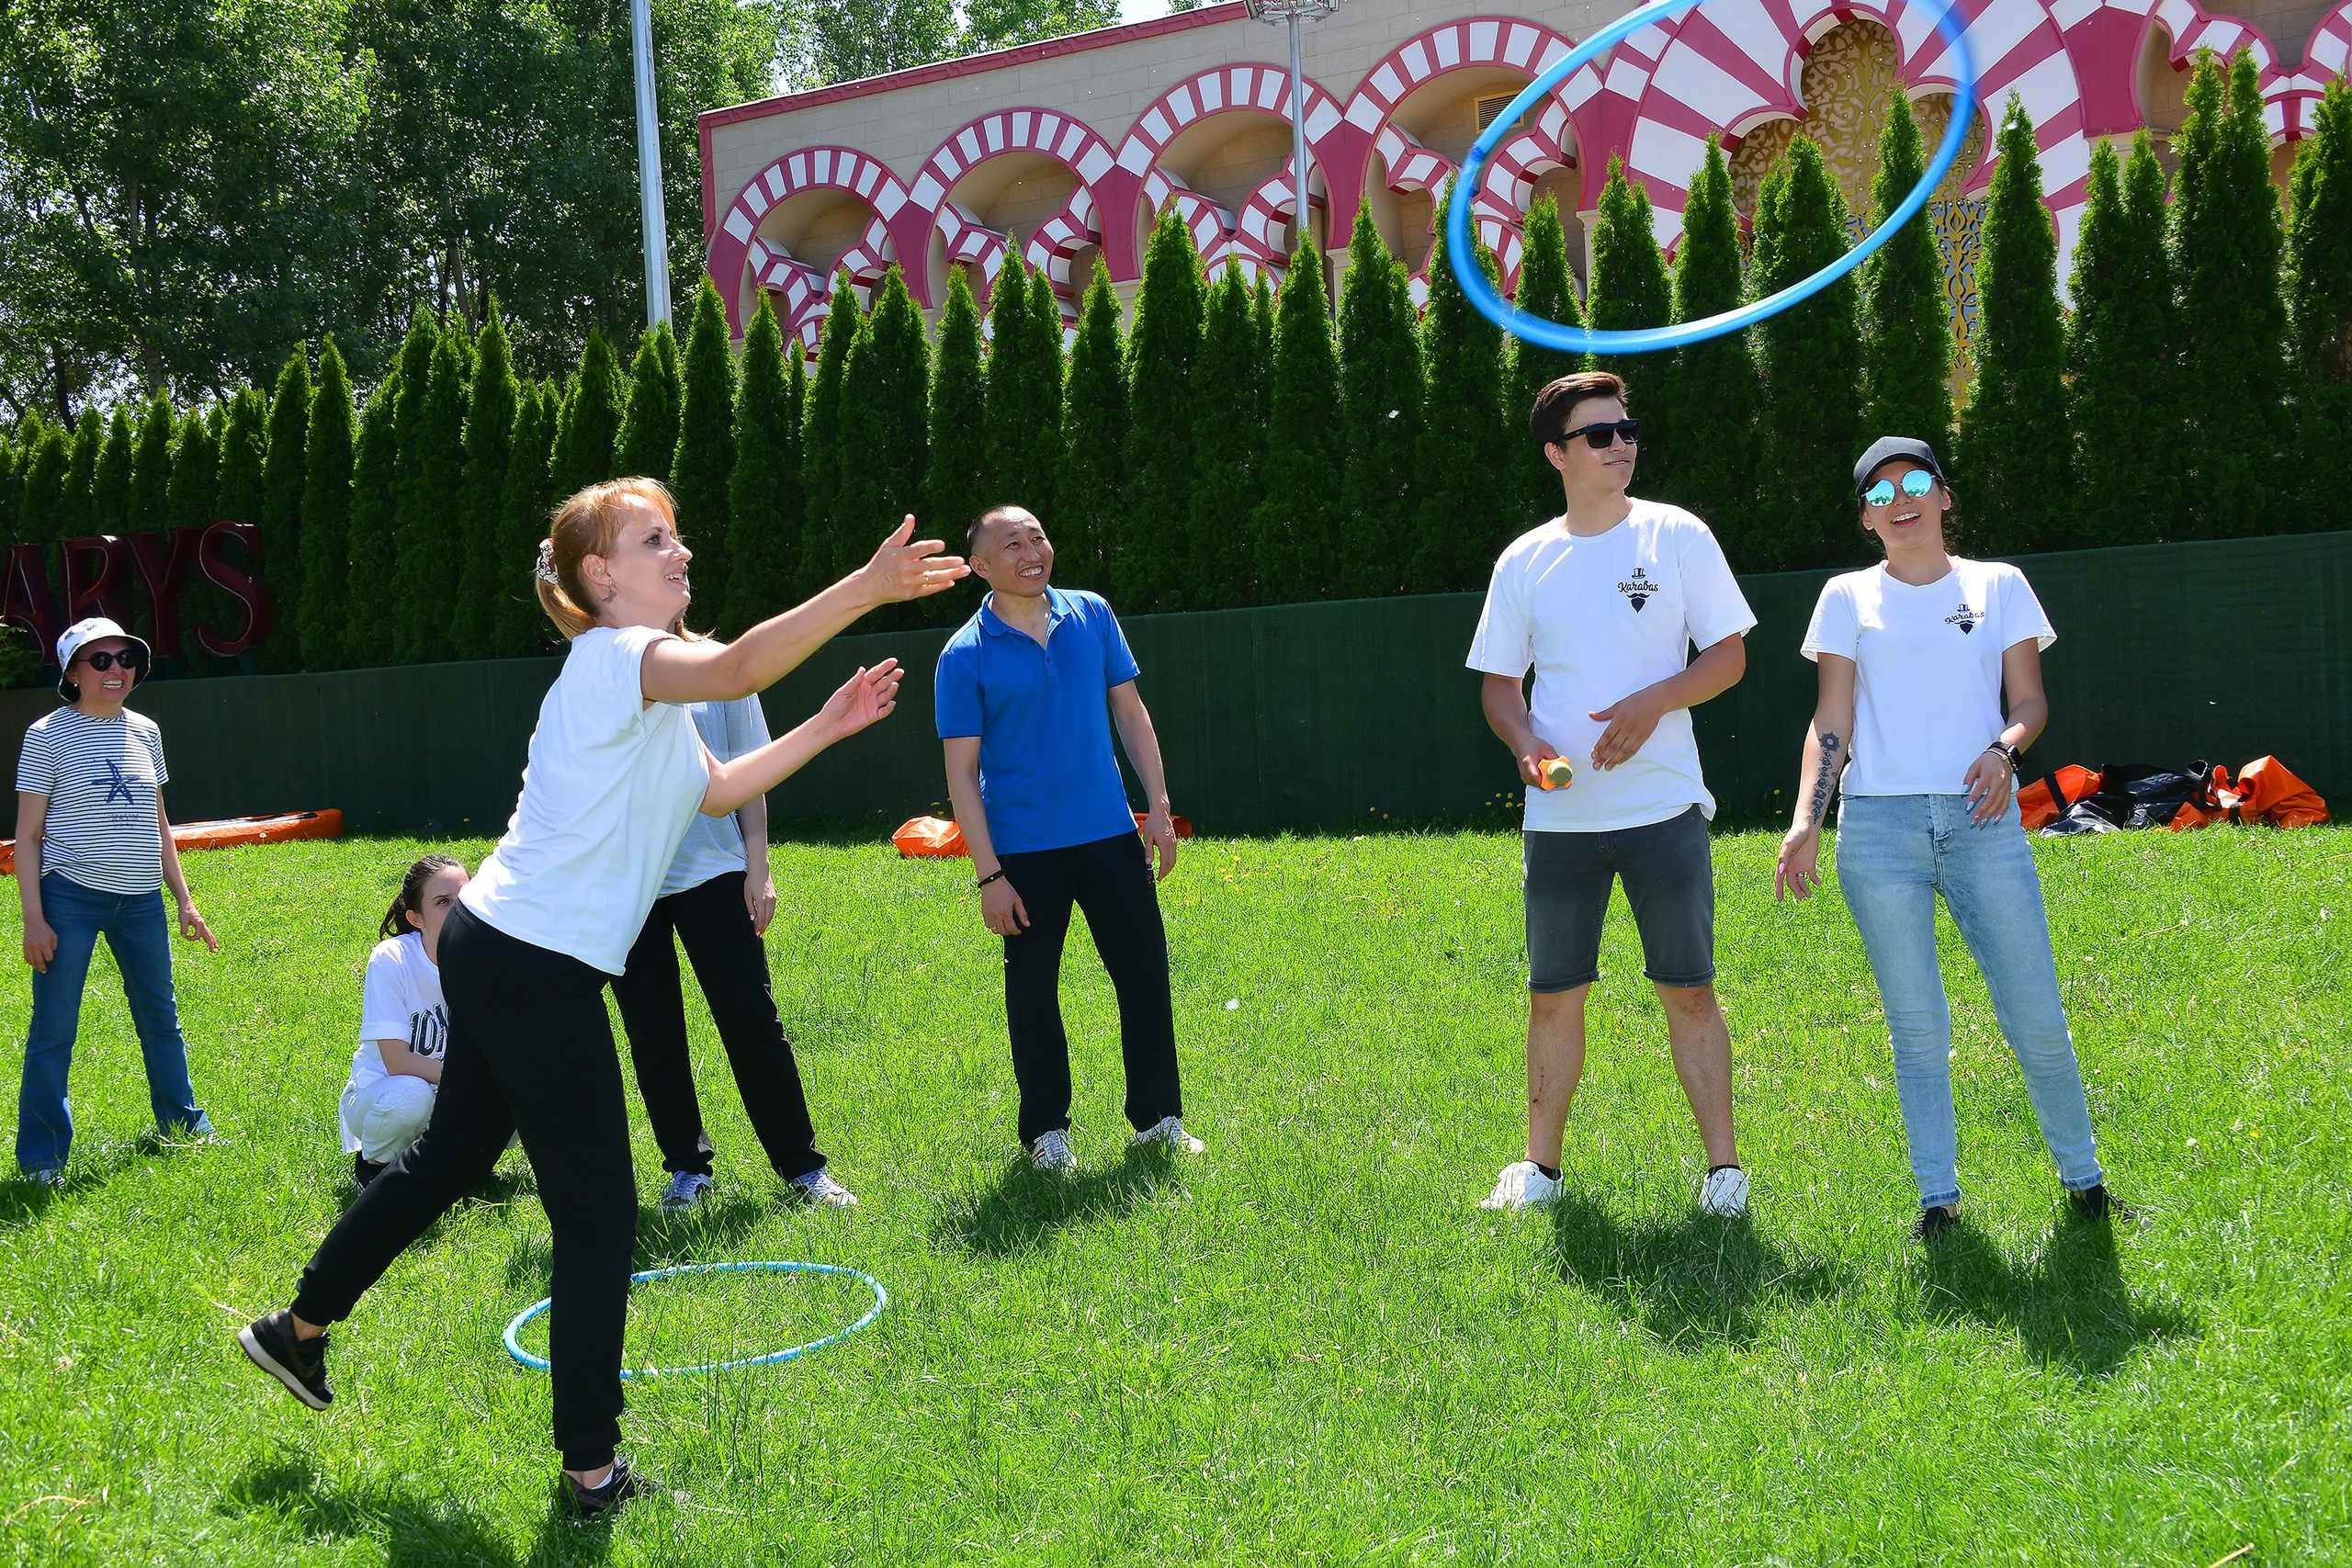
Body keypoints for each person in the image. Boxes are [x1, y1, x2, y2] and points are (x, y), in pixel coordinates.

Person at [237, 479, 962, 1517]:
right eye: (652, 540)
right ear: (598, 576)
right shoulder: (622, 659)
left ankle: (293, 1331)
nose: (679, 553)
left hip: (495, 945)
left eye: (675, 536)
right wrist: (867, 586)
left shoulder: (639, 694)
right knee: (595, 1221)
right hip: (530, 961)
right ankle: (591, 1473)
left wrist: (827, 725)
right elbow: (743, 660)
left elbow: (712, 788)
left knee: (450, 1159)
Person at [1775, 436, 2132, 1241]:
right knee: (1917, 1025)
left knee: (2036, 1014)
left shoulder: (1998, 584)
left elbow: (2029, 702)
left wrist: (2004, 751)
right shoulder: (1844, 598)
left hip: (1982, 821)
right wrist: (1806, 819)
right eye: (1879, 493)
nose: (1900, 501)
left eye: (1915, 483)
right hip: (1879, 831)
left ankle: (2086, 1185)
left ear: (1943, 495)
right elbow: (1831, 720)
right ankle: (1939, 1201)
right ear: (1866, 518)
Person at [1467, 372, 1757, 1217]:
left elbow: (1728, 656)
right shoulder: (1525, 559)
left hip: (1663, 810)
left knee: (1690, 989)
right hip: (1560, 820)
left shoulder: (1679, 536)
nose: (1622, 444)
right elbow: (1498, 687)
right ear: (1557, 453)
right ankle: (1540, 1172)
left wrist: (1653, 700)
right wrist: (1526, 743)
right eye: (1600, 434)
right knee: (1553, 995)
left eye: (1627, 429)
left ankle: (1724, 1173)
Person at [935, 504, 1198, 1172]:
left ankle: (1159, 1120)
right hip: (1023, 853)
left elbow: (1131, 713)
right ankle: (1046, 1133)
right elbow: (962, 776)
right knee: (1033, 994)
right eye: (1011, 543)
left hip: (1111, 836)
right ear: (981, 566)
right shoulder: (963, 656)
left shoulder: (1093, 614)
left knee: (1144, 977)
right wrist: (990, 874)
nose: (1031, 551)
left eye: (1038, 537)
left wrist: (1158, 807)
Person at [612, 645, 854, 1213]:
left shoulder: (721, 663)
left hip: (715, 873)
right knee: (652, 1033)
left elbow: (750, 769)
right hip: (628, 885)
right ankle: (687, 1169)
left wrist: (758, 867)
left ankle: (802, 1168)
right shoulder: (605, 666)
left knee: (751, 1021)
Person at [14, 616, 219, 1185]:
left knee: (161, 1017)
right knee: (55, 1029)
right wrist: (35, 917)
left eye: (125, 659)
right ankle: (42, 1158)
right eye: (100, 660)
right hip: (68, 900)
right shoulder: (46, 735)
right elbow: (28, 837)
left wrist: (185, 900)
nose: (116, 670)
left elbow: (159, 823)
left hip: (141, 902)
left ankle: (182, 1124)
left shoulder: (146, 731)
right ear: (72, 672)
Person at [339, 855, 467, 1190]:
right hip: (383, 1093)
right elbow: (396, 1062)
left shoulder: (487, 959)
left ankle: (469, 1160)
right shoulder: (392, 958)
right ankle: (374, 1165)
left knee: (523, 1080)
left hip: (449, 1089)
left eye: (465, 899)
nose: (457, 910)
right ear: (417, 918)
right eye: (443, 902)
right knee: (411, 1093)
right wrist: (472, 1081)